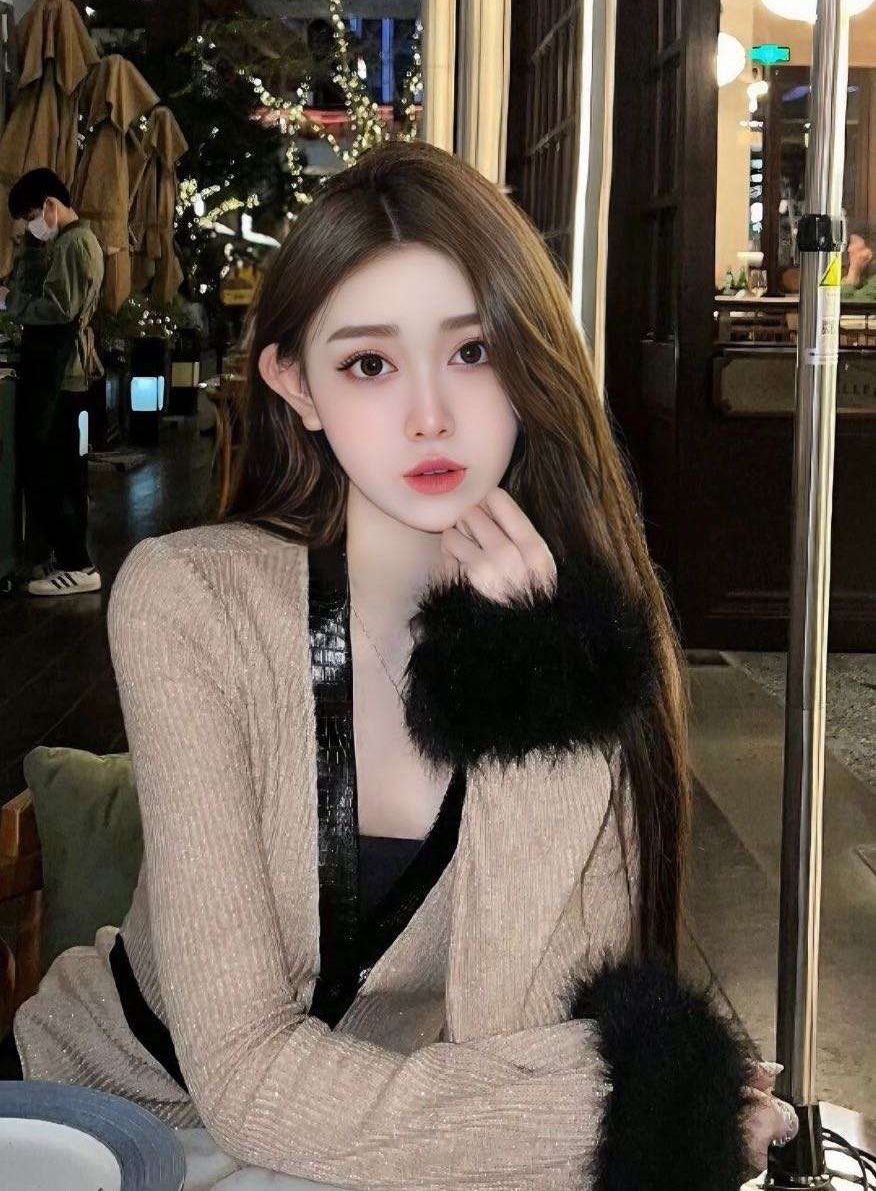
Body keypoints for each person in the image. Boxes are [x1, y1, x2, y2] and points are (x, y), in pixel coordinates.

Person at [11, 141, 796, 1188]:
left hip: (393, 1153)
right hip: (99, 1119)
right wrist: (654, 1117)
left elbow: (522, 1031)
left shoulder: (598, 636)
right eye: (369, 365)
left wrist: (532, 677)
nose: (430, 414)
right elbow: (242, 1074)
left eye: (473, 351)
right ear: (296, 384)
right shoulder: (190, 600)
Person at [0, 167, 104, 596]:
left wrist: (10, 302)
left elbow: (58, 309)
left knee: (51, 470)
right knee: (58, 470)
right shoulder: (69, 242)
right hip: (62, 371)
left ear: (49, 206)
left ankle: (78, 564)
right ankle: (68, 558)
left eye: (30, 217)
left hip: (62, 374)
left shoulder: (74, 244)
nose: (29, 227)